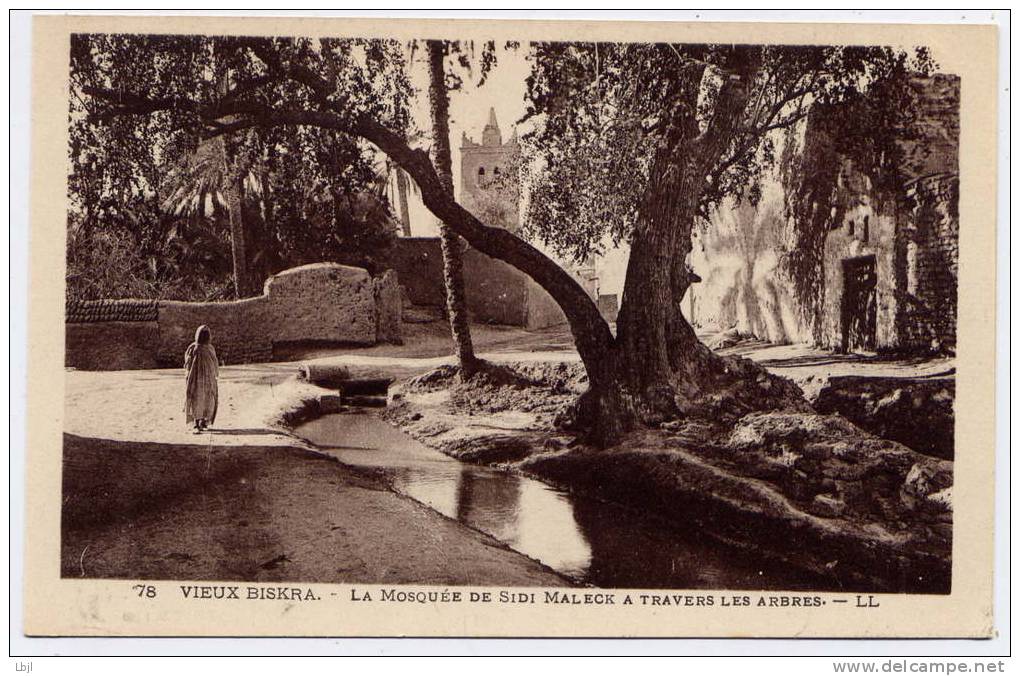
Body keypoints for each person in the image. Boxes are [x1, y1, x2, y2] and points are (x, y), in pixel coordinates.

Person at [184, 325, 219, 433]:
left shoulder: (205, 348)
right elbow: (215, 363)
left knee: (202, 399)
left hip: (201, 378)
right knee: (201, 398)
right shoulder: (195, 348)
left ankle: (202, 420)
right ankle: (198, 421)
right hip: (199, 378)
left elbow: (187, 363)